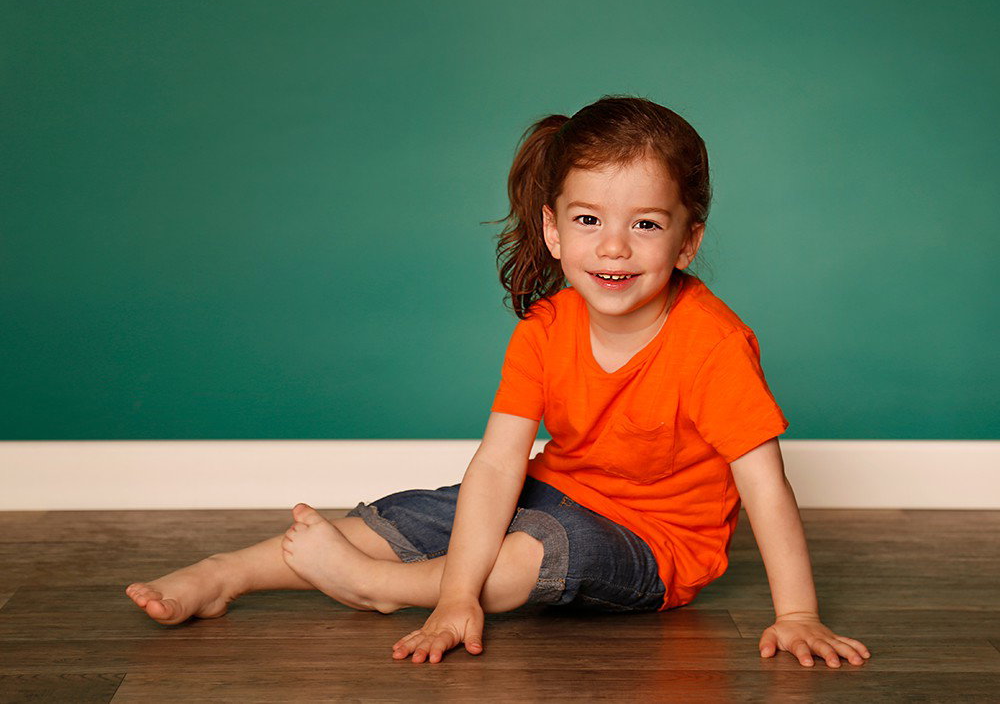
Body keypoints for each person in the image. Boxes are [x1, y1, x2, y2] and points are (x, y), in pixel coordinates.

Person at [125, 94, 871, 669]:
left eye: (645, 224)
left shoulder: (710, 342)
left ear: (688, 240)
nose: (613, 246)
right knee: (422, 514)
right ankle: (227, 574)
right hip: (559, 491)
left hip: (654, 544)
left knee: (526, 558)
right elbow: (496, 464)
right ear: (552, 230)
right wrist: (454, 586)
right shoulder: (546, 328)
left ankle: (377, 586)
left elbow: (765, 487)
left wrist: (797, 613)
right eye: (588, 220)